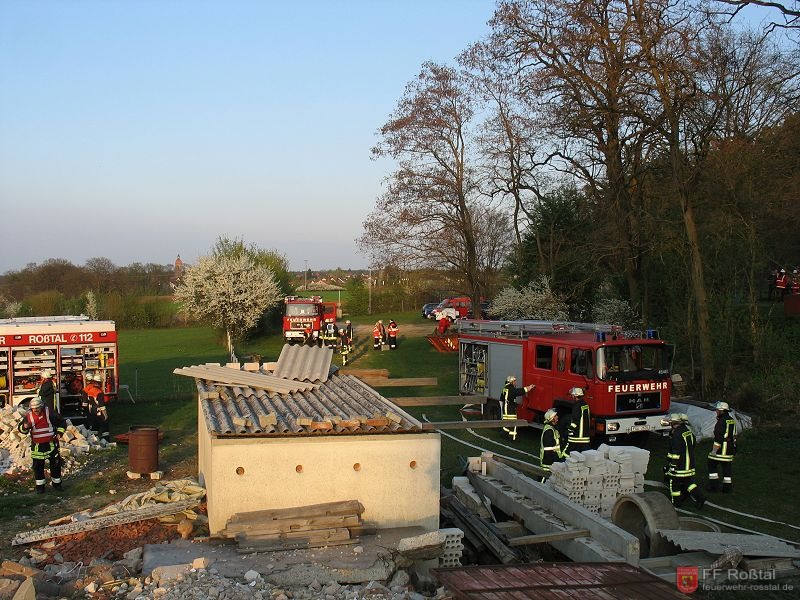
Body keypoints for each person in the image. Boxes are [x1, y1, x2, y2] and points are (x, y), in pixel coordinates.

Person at [17, 397, 66, 493]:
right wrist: (24, 427)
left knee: (55, 465)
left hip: (51, 444)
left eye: (37, 408)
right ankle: (40, 488)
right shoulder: (29, 416)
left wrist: (59, 433)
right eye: (34, 409)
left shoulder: (49, 413)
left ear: (42, 406)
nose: (36, 410)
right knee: (38, 467)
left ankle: (57, 485)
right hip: (37, 446)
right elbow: (21, 429)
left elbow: (61, 422)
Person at [664, 413, 705, 508]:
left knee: (674, 483)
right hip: (689, 464)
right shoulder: (688, 432)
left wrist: (673, 467)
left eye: (671, 423)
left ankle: (676, 502)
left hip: (680, 465)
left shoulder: (677, 435)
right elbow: (693, 444)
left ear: (674, 423)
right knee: (688, 483)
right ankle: (700, 497)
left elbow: (676, 453)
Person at [707, 401, 737, 493]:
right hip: (730, 449)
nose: (716, 412)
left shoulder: (721, 422)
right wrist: (735, 448)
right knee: (727, 468)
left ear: (722, 411)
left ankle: (714, 486)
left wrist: (714, 451)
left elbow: (718, 438)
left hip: (721, 451)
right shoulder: (731, 420)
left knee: (711, 464)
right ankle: (727, 488)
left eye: (717, 410)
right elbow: (734, 436)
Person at [500, 375, 535, 441]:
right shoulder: (511, 389)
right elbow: (518, 392)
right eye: (514, 381)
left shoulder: (505, 388)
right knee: (514, 423)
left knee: (506, 422)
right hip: (510, 408)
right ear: (511, 382)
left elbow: (502, 398)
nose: (515, 383)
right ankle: (512, 438)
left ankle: (503, 434)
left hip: (505, 408)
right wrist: (528, 388)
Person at [539, 408, 566, 482]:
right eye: (555, 416)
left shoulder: (553, 429)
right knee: (544, 480)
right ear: (552, 418)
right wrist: (555, 460)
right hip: (548, 462)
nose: (557, 417)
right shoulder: (549, 431)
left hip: (553, 460)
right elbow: (548, 449)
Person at [564, 387, 591, 454]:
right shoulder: (585, 404)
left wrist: (570, 428)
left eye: (572, 395)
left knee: (570, 454)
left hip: (577, 437)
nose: (572, 396)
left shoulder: (577, 406)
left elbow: (576, 420)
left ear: (575, 396)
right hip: (585, 436)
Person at [83, 374, 109, 438]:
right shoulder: (99, 392)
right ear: (100, 382)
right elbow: (101, 405)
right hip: (99, 412)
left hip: (92, 412)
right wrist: (105, 415)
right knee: (105, 428)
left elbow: (86, 402)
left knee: (94, 427)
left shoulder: (90, 390)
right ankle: (106, 442)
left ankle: (94, 441)